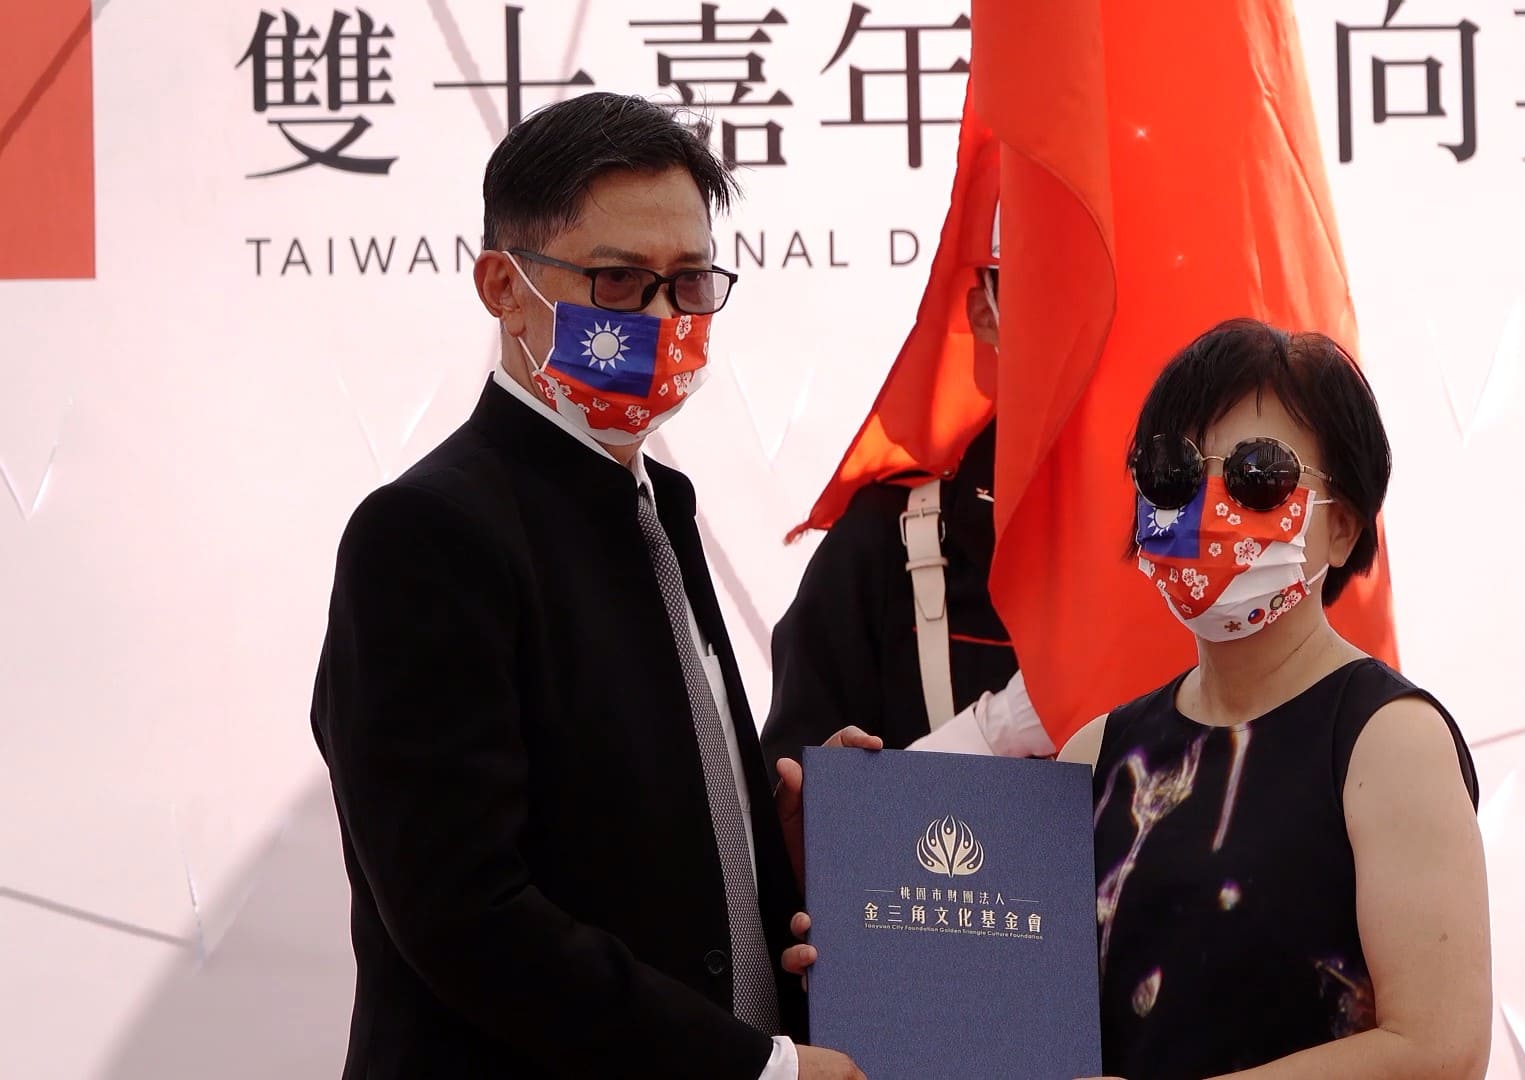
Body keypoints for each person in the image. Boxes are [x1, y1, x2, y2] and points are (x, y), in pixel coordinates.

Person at [310, 93, 871, 1080]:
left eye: (689, 283)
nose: (663, 319)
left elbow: (628, 818)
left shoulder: (660, 505)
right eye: (618, 282)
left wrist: (765, 838)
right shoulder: (427, 534)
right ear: (504, 286)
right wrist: (756, 1070)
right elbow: (464, 913)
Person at [1061, 320, 1492, 1079]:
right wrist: (854, 835)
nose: (1208, 507)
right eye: (1171, 472)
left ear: (1343, 527)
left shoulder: (1388, 740)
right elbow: (1011, 1012)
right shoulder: (1095, 754)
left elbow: (1440, 1049)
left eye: (1258, 475)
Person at [764, 209, 1054, 764]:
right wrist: (993, 733)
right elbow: (798, 790)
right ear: (985, 312)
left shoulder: (1190, 532)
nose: (1076, 322)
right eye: (1045, 290)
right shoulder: (883, 542)